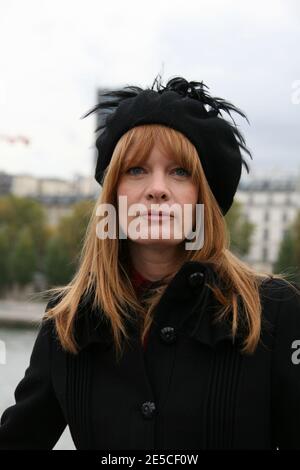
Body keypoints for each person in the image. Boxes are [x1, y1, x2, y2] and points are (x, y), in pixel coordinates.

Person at [0, 75, 300, 450]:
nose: (157, 188)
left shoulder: (272, 311)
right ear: (113, 193)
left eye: (179, 171)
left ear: (201, 198)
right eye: (137, 170)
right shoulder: (66, 321)